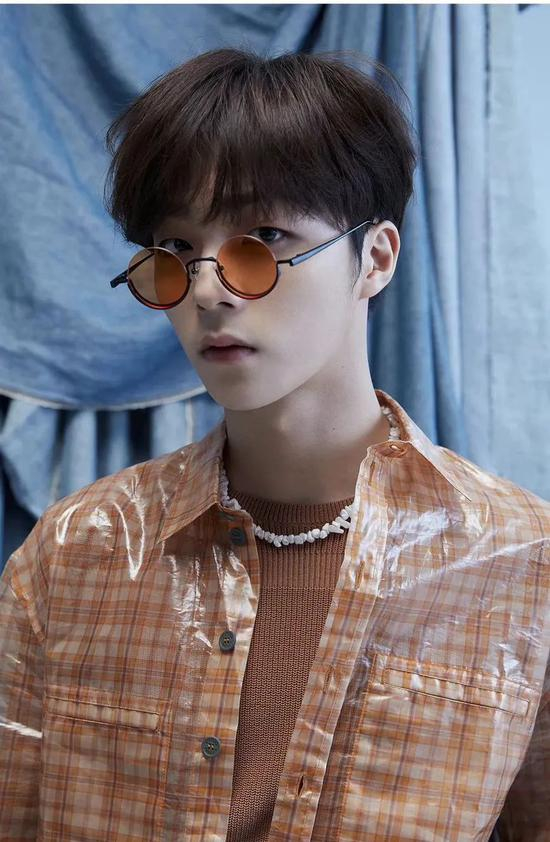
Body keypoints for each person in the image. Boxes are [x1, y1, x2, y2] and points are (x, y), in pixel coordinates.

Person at [1, 47, 549, 842]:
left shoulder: (523, 565)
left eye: (263, 236)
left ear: (375, 258)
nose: (208, 289)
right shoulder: (76, 553)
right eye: (176, 251)